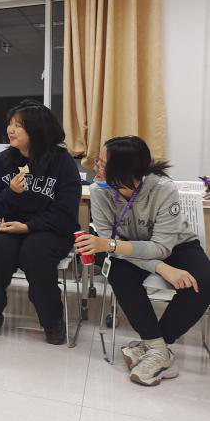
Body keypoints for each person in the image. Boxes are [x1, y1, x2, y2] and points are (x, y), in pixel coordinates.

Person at [76, 136, 210, 386]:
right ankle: (158, 351)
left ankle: (154, 347)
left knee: (203, 281)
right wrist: (161, 268)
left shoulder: (163, 189)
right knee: (117, 271)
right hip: (127, 249)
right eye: (98, 161)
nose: (96, 168)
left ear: (125, 171)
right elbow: (109, 244)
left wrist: (160, 261)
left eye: (103, 163)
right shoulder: (99, 191)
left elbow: (161, 247)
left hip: (175, 244)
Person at [0, 100, 81, 345]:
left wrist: (28, 227)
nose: (10, 130)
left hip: (51, 230)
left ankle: (52, 320)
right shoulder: (4, 160)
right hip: (11, 228)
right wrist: (11, 193)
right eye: (10, 124)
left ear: (37, 130)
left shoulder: (62, 162)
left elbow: (65, 212)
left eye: (18, 125)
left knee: (35, 252)